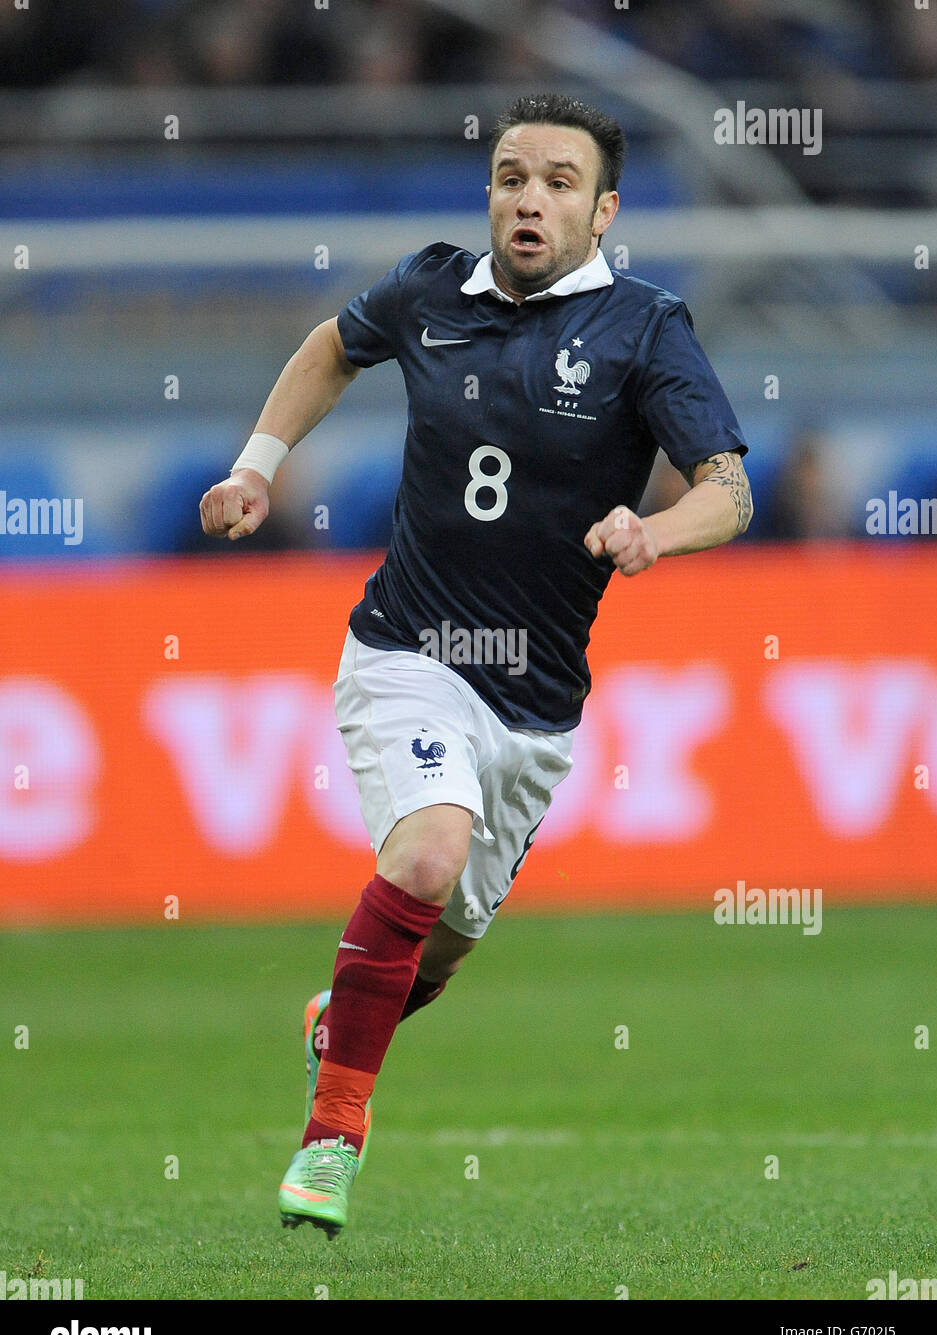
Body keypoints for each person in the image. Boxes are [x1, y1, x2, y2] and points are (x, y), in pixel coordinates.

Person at [199, 93, 752, 1240]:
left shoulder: (646, 329)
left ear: (602, 210)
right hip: (409, 650)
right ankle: (333, 1139)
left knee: (438, 939)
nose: (527, 198)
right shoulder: (429, 288)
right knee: (427, 848)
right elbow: (329, 347)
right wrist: (258, 465)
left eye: (557, 181)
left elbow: (731, 490)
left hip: (535, 708)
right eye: (509, 175)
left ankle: (341, 1014)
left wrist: (659, 531)